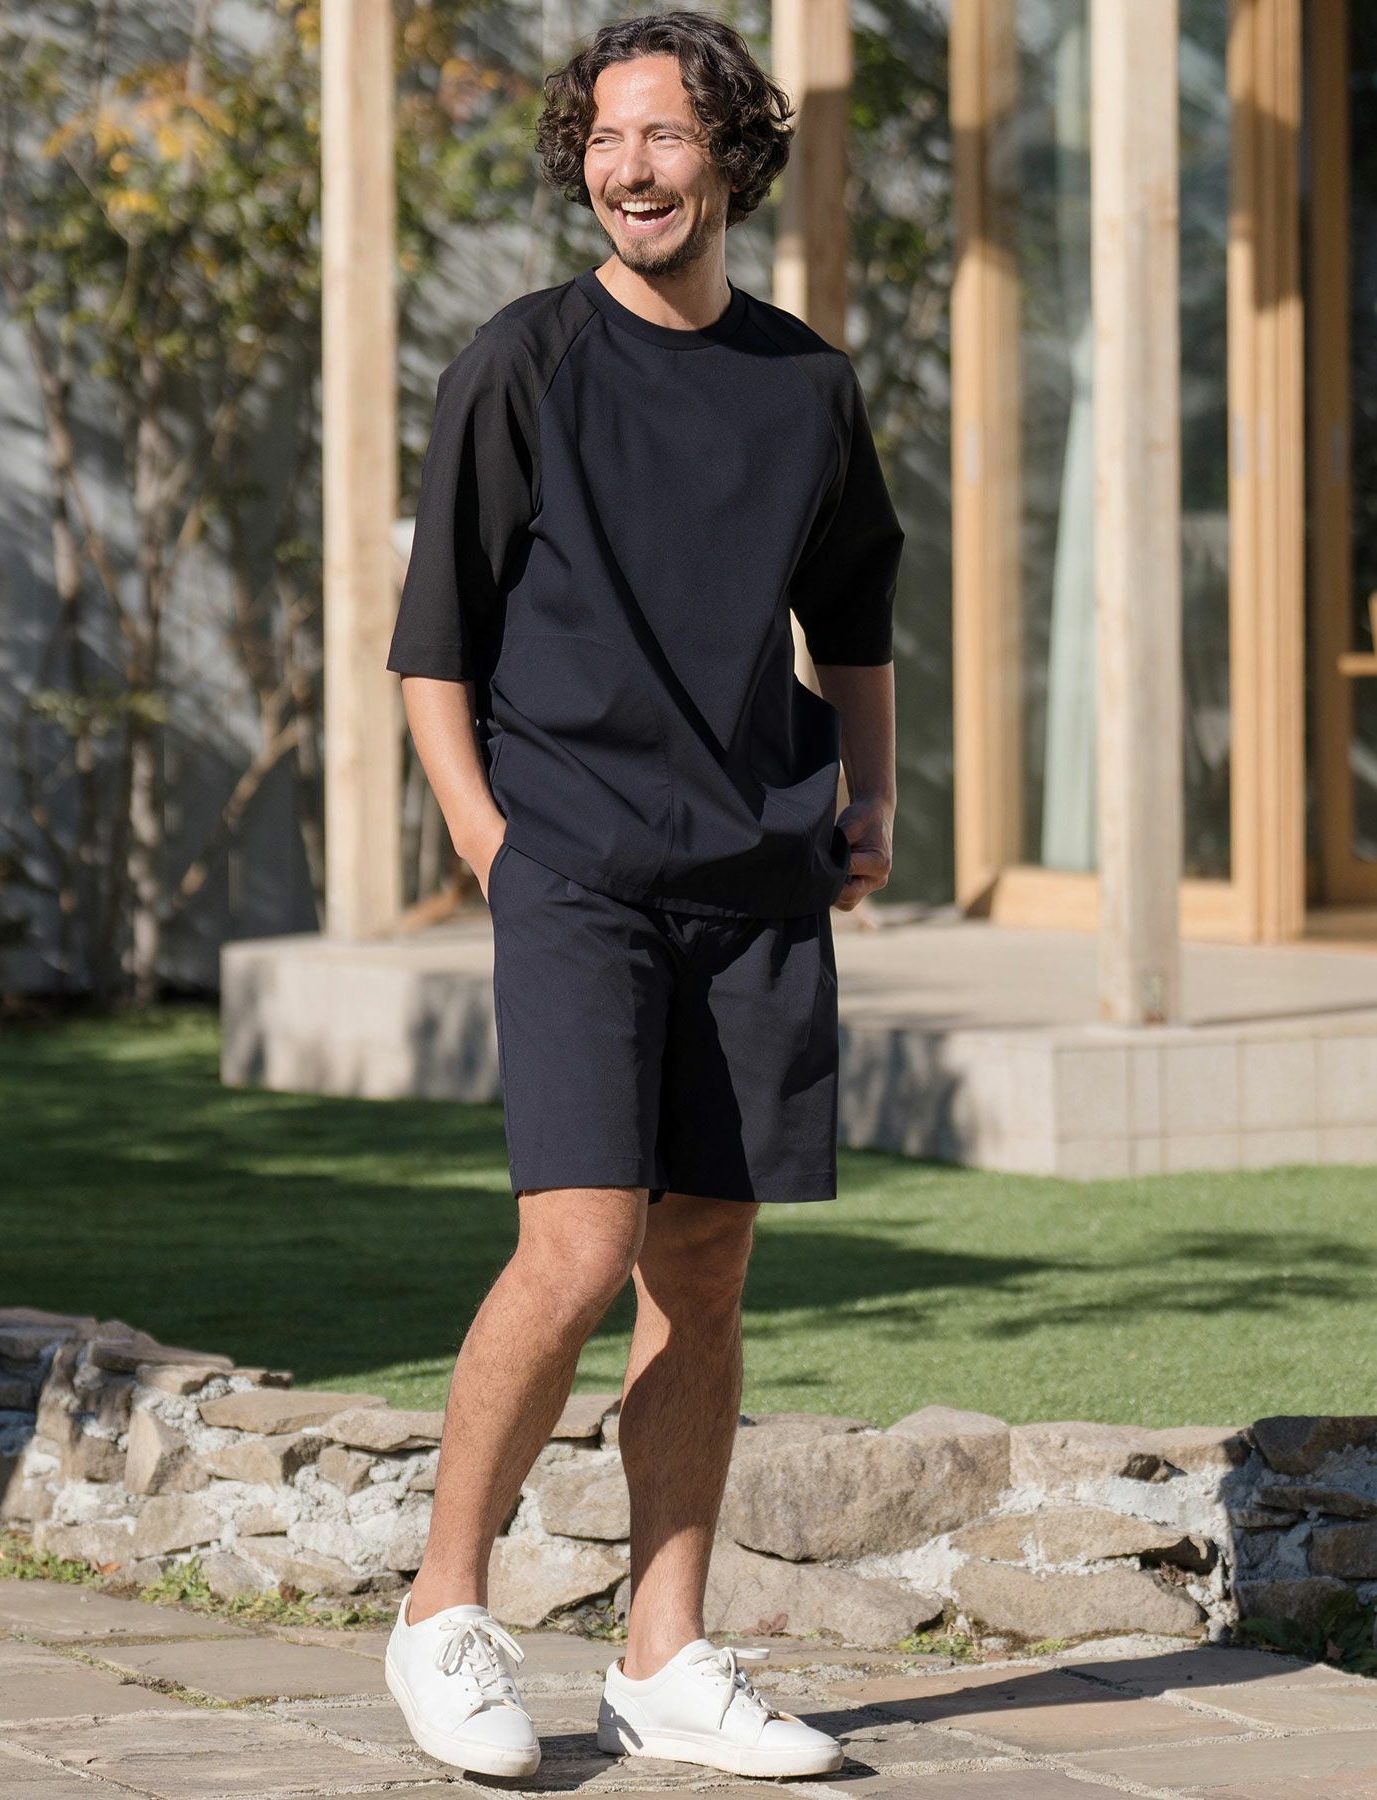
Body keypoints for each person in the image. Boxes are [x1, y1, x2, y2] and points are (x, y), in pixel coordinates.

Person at [381, 7, 903, 1783]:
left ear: (730, 156)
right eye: (605, 140)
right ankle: (443, 1611)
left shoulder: (807, 385)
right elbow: (436, 645)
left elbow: (854, 612)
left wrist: (872, 793)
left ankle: (664, 1656)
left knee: (705, 1265)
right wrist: (490, 840)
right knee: (581, 1246)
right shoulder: (521, 364)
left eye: (665, 135)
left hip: (755, 872)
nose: (629, 168)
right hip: (576, 864)